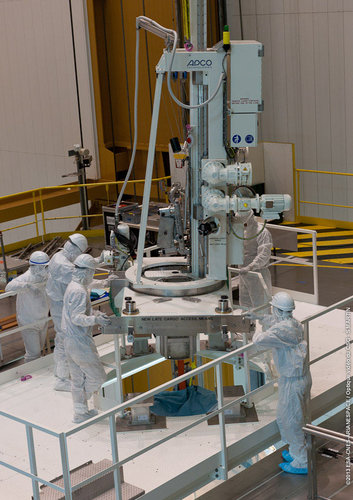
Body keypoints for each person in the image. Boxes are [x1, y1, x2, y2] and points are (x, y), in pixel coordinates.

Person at [252, 292, 312, 474]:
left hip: (292, 382)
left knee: (292, 422)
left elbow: (260, 340)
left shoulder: (284, 330)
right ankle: (296, 452)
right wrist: (260, 317)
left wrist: (254, 327)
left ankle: (302, 461)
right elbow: (278, 324)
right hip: (296, 379)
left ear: (277, 309)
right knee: (287, 418)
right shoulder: (292, 323)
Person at [62, 254, 111, 423]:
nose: (92, 276)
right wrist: (95, 319)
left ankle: (80, 413)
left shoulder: (73, 286)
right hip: (79, 341)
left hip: (69, 341)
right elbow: (76, 317)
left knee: (77, 379)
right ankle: (85, 399)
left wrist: (94, 313)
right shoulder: (79, 291)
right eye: (92, 272)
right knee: (98, 378)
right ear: (85, 272)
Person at [46, 234, 89, 391]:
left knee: (63, 339)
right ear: (74, 249)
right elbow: (79, 276)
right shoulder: (61, 264)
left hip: (60, 304)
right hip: (59, 306)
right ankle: (62, 379)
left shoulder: (59, 256)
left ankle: (64, 373)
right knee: (64, 340)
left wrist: (98, 261)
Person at [5, 251, 50, 362]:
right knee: (33, 354)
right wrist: (26, 286)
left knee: (39, 349)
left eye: (47, 266)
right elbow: (8, 287)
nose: (46, 269)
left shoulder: (45, 276)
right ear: (35, 267)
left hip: (42, 319)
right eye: (43, 267)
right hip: (29, 321)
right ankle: (31, 377)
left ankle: (37, 373)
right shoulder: (26, 277)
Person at [238, 211, 273, 310]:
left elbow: (264, 254)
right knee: (245, 304)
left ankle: (265, 325)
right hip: (243, 273)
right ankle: (246, 324)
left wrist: (251, 266)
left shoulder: (262, 232)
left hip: (258, 273)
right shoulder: (239, 231)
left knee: (261, 305)